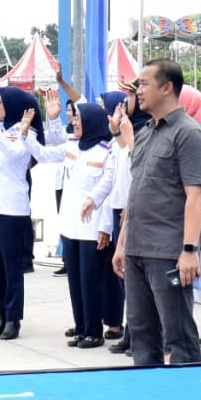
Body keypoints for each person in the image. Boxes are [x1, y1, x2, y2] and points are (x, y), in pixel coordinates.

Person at [116, 60, 201, 367]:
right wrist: (122, 244)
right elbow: (137, 192)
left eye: (144, 84)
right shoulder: (145, 132)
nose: (138, 91)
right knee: (142, 334)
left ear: (167, 87)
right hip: (137, 249)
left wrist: (189, 250)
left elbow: (195, 196)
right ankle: (148, 398)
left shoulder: (190, 134)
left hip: (168, 253)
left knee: (179, 336)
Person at [0, 85, 52, 340]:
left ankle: (13, 318)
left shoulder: (25, 132)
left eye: (1, 103)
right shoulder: (2, 130)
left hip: (11, 209)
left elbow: (13, 152)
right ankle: (1, 313)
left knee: (11, 267)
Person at [42, 98, 120, 348]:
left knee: (91, 281)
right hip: (70, 226)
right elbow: (46, 150)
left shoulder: (106, 151)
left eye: (79, 119)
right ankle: (82, 327)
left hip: (92, 227)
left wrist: (105, 228)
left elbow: (108, 195)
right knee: (75, 281)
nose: (75, 122)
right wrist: (51, 119)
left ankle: (94, 332)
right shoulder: (73, 146)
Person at [82, 99, 136, 351]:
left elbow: (142, 172)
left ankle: (138, 335)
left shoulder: (139, 136)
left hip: (133, 210)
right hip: (117, 211)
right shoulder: (116, 144)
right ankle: (132, 335)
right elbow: (110, 179)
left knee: (135, 277)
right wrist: (93, 200)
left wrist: (124, 136)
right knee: (125, 276)